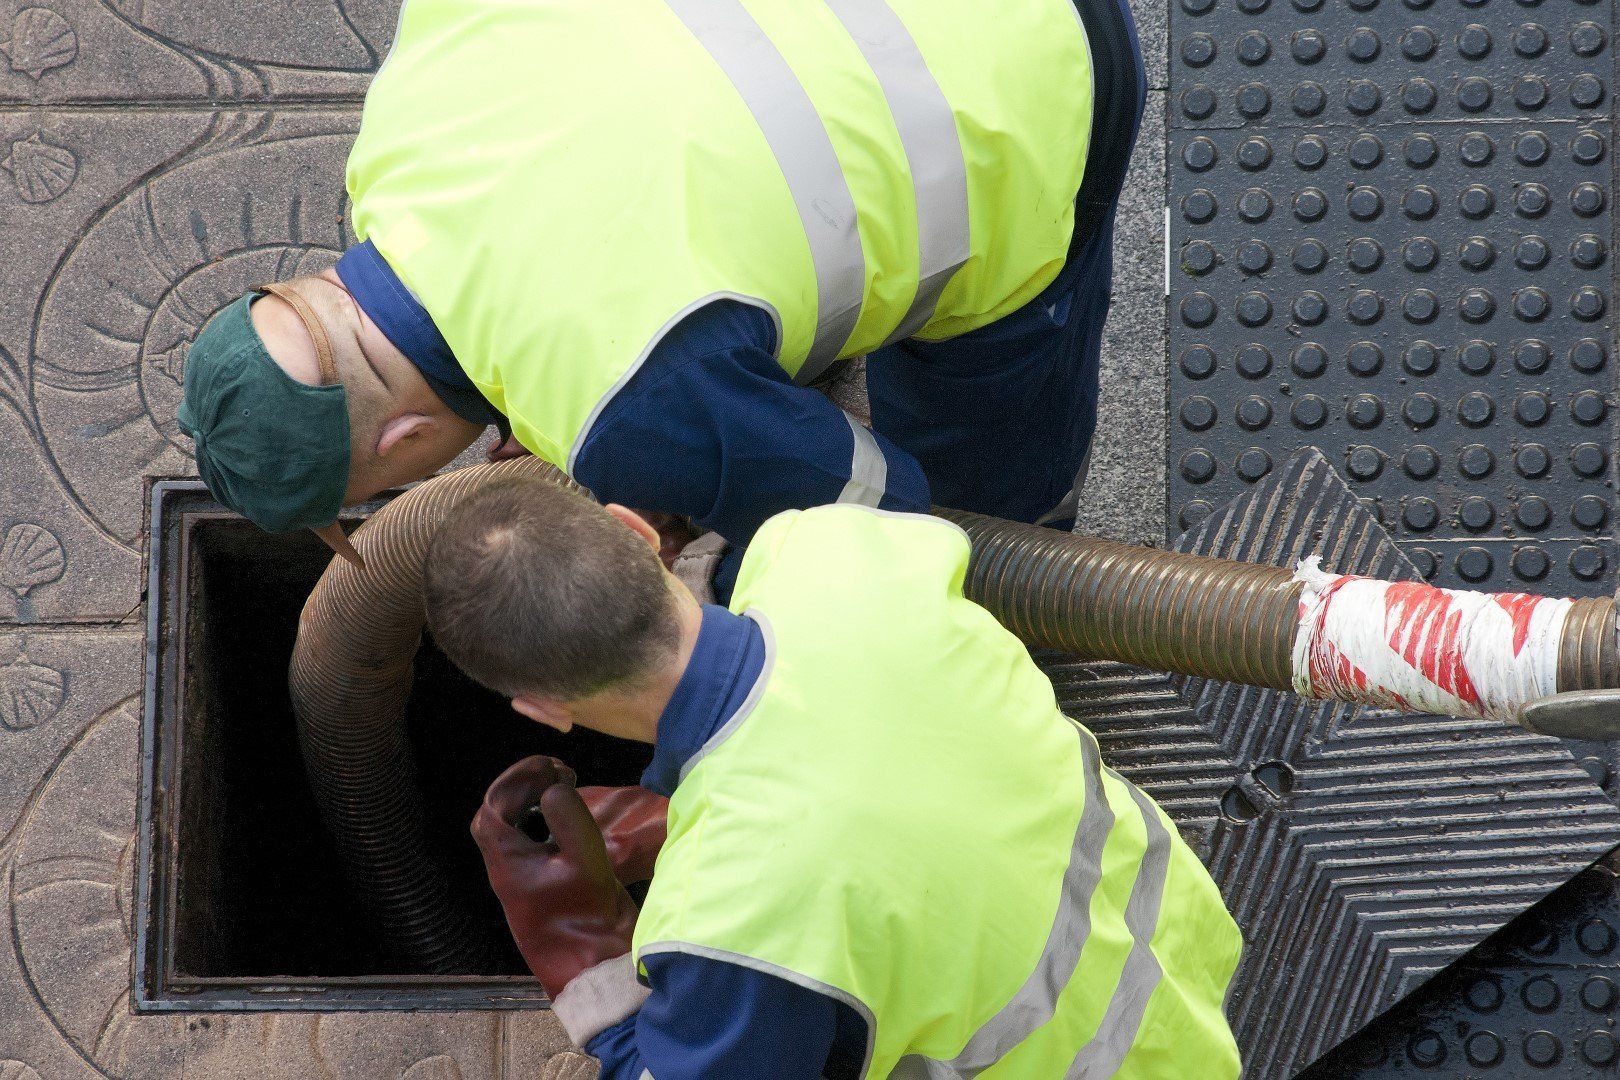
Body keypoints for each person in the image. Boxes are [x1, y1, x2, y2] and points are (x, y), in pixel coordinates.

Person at [175, 0, 1145, 591]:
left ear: (397, 450)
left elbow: (878, 512)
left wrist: (734, 570)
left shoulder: (624, 409)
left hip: (1035, 69)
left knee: (979, 467)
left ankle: (1038, 586)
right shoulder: (405, 114)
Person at [424, 476, 1243, 1079]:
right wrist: (693, 820)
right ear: (637, 533)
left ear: (540, 710)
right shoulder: (830, 547)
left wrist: (585, 951)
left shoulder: (733, 927)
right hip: (1177, 948)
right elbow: (871, 748)